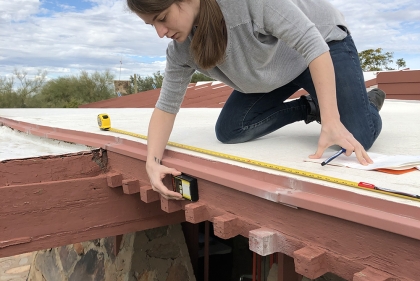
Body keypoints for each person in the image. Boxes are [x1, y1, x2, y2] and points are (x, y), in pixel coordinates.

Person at [126, 0, 386, 200]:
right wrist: (152, 162)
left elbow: (312, 45)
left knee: (358, 138)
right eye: (152, 25)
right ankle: (312, 106)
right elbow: (166, 107)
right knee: (231, 129)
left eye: (162, 18)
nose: (160, 32)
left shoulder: (246, 4)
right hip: (275, 67)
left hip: (321, 48)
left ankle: (364, 103)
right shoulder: (182, 49)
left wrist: (331, 120)